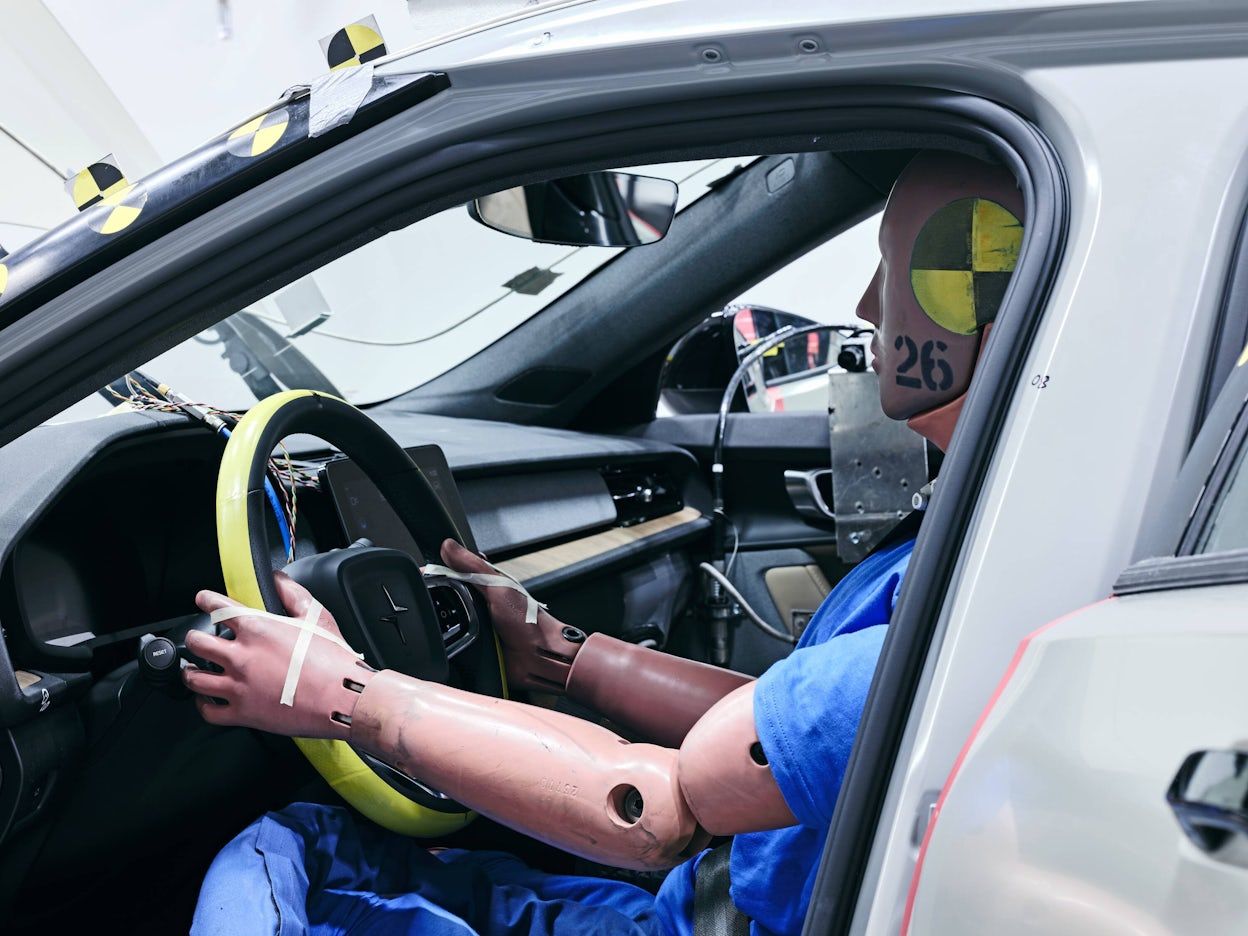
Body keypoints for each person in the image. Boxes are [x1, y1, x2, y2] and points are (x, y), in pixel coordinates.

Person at [188, 150, 1025, 936]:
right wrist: (565, 658)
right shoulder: (997, 542)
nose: (869, 306)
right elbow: (780, 728)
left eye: (895, 268)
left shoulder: (984, 609)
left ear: (979, 309)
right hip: (722, 897)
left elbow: (649, 810)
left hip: (713, 912)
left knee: (285, 856)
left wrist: (338, 693)